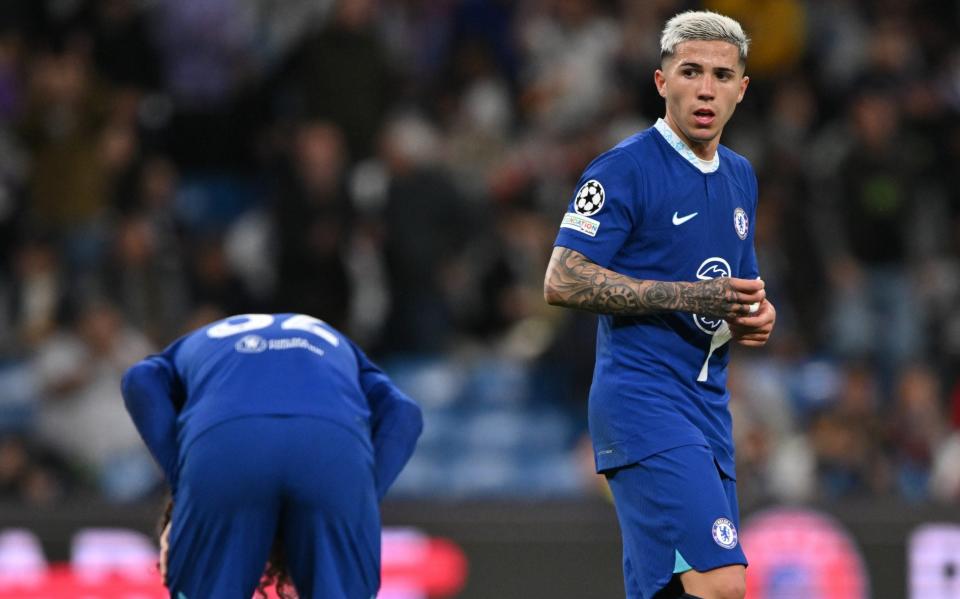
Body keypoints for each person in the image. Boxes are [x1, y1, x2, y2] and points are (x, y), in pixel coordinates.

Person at [543, 11, 776, 599]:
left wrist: (755, 314)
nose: (706, 88)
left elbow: (734, 285)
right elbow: (562, 279)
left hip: (709, 410)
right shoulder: (624, 168)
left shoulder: (741, 176)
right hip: (644, 401)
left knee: (671, 591)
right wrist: (686, 297)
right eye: (690, 71)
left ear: (742, 89)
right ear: (661, 80)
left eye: (722, 75)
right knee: (723, 584)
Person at [120, 312, 423, 598]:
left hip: (226, 444)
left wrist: (182, 484)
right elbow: (404, 414)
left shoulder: (194, 344)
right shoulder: (341, 346)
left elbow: (139, 380)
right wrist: (362, 499)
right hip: (331, 446)